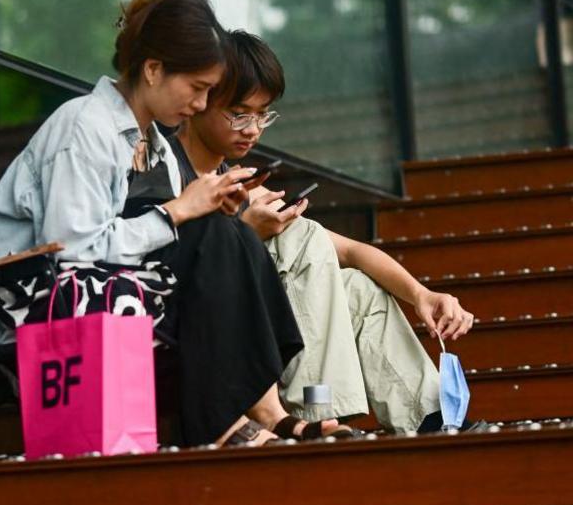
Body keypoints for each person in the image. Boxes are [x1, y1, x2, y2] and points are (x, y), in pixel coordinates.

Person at [0, 0, 352, 447]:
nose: (201, 105)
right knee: (215, 234)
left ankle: (264, 408)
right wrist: (177, 211)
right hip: (43, 303)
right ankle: (223, 422)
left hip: (105, 287)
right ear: (154, 69)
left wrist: (197, 209)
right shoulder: (85, 126)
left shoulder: (148, 141)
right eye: (198, 88)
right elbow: (73, 251)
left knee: (228, 232)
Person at [173, 29, 476, 432]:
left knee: (356, 287)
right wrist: (247, 233)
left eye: (263, 115)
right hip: (200, 331)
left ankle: (430, 420)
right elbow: (178, 269)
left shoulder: (244, 186)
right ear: (199, 99)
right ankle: (316, 414)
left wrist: (422, 295)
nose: (253, 129)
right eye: (240, 113)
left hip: (260, 335)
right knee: (305, 237)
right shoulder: (168, 175)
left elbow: (352, 251)